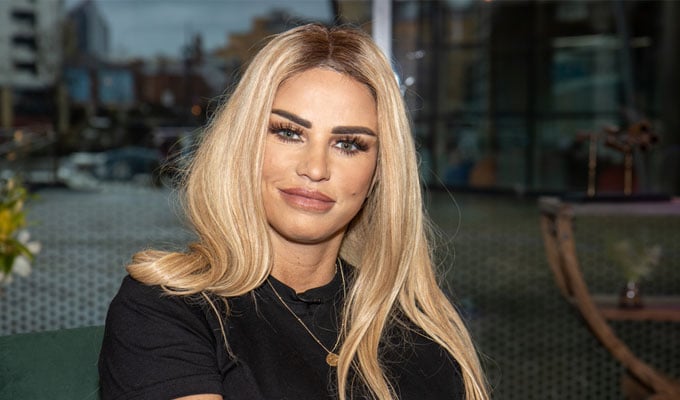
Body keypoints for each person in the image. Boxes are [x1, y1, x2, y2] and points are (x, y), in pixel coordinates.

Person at [98, 23, 489, 400]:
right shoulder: (167, 307)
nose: (315, 169)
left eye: (349, 144)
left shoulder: (422, 327)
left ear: (379, 172)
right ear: (244, 145)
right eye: (288, 132)